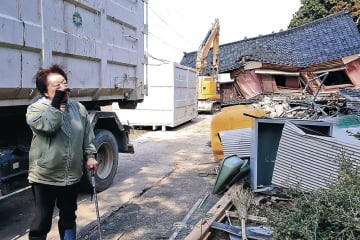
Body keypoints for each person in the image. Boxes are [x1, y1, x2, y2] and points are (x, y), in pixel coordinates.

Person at [26, 64, 98, 240]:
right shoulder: (36, 109)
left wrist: (90, 156)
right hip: (45, 176)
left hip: (71, 176)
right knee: (42, 221)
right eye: (56, 86)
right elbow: (50, 126)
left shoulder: (78, 108)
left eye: (64, 83)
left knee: (68, 217)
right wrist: (57, 102)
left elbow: (87, 136)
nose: (63, 88)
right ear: (45, 92)